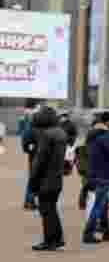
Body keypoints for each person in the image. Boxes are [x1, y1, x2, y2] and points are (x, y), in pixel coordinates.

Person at [27, 106, 68, 251]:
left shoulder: (47, 135)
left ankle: (50, 240)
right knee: (51, 209)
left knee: (46, 211)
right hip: (56, 178)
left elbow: (39, 160)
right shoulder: (61, 133)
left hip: (45, 178)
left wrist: (32, 180)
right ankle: (57, 239)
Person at [83, 112, 109, 245]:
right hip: (104, 173)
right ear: (108, 122)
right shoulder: (105, 135)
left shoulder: (93, 134)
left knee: (104, 203)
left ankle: (106, 230)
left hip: (94, 172)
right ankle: (88, 233)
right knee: (99, 205)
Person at [22, 106, 38, 211]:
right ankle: (29, 201)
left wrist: (29, 150)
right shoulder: (35, 129)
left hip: (33, 156)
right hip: (36, 156)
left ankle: (29, 201)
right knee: (34, 179)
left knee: (33, 179)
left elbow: (25, 145)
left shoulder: (29, 128)